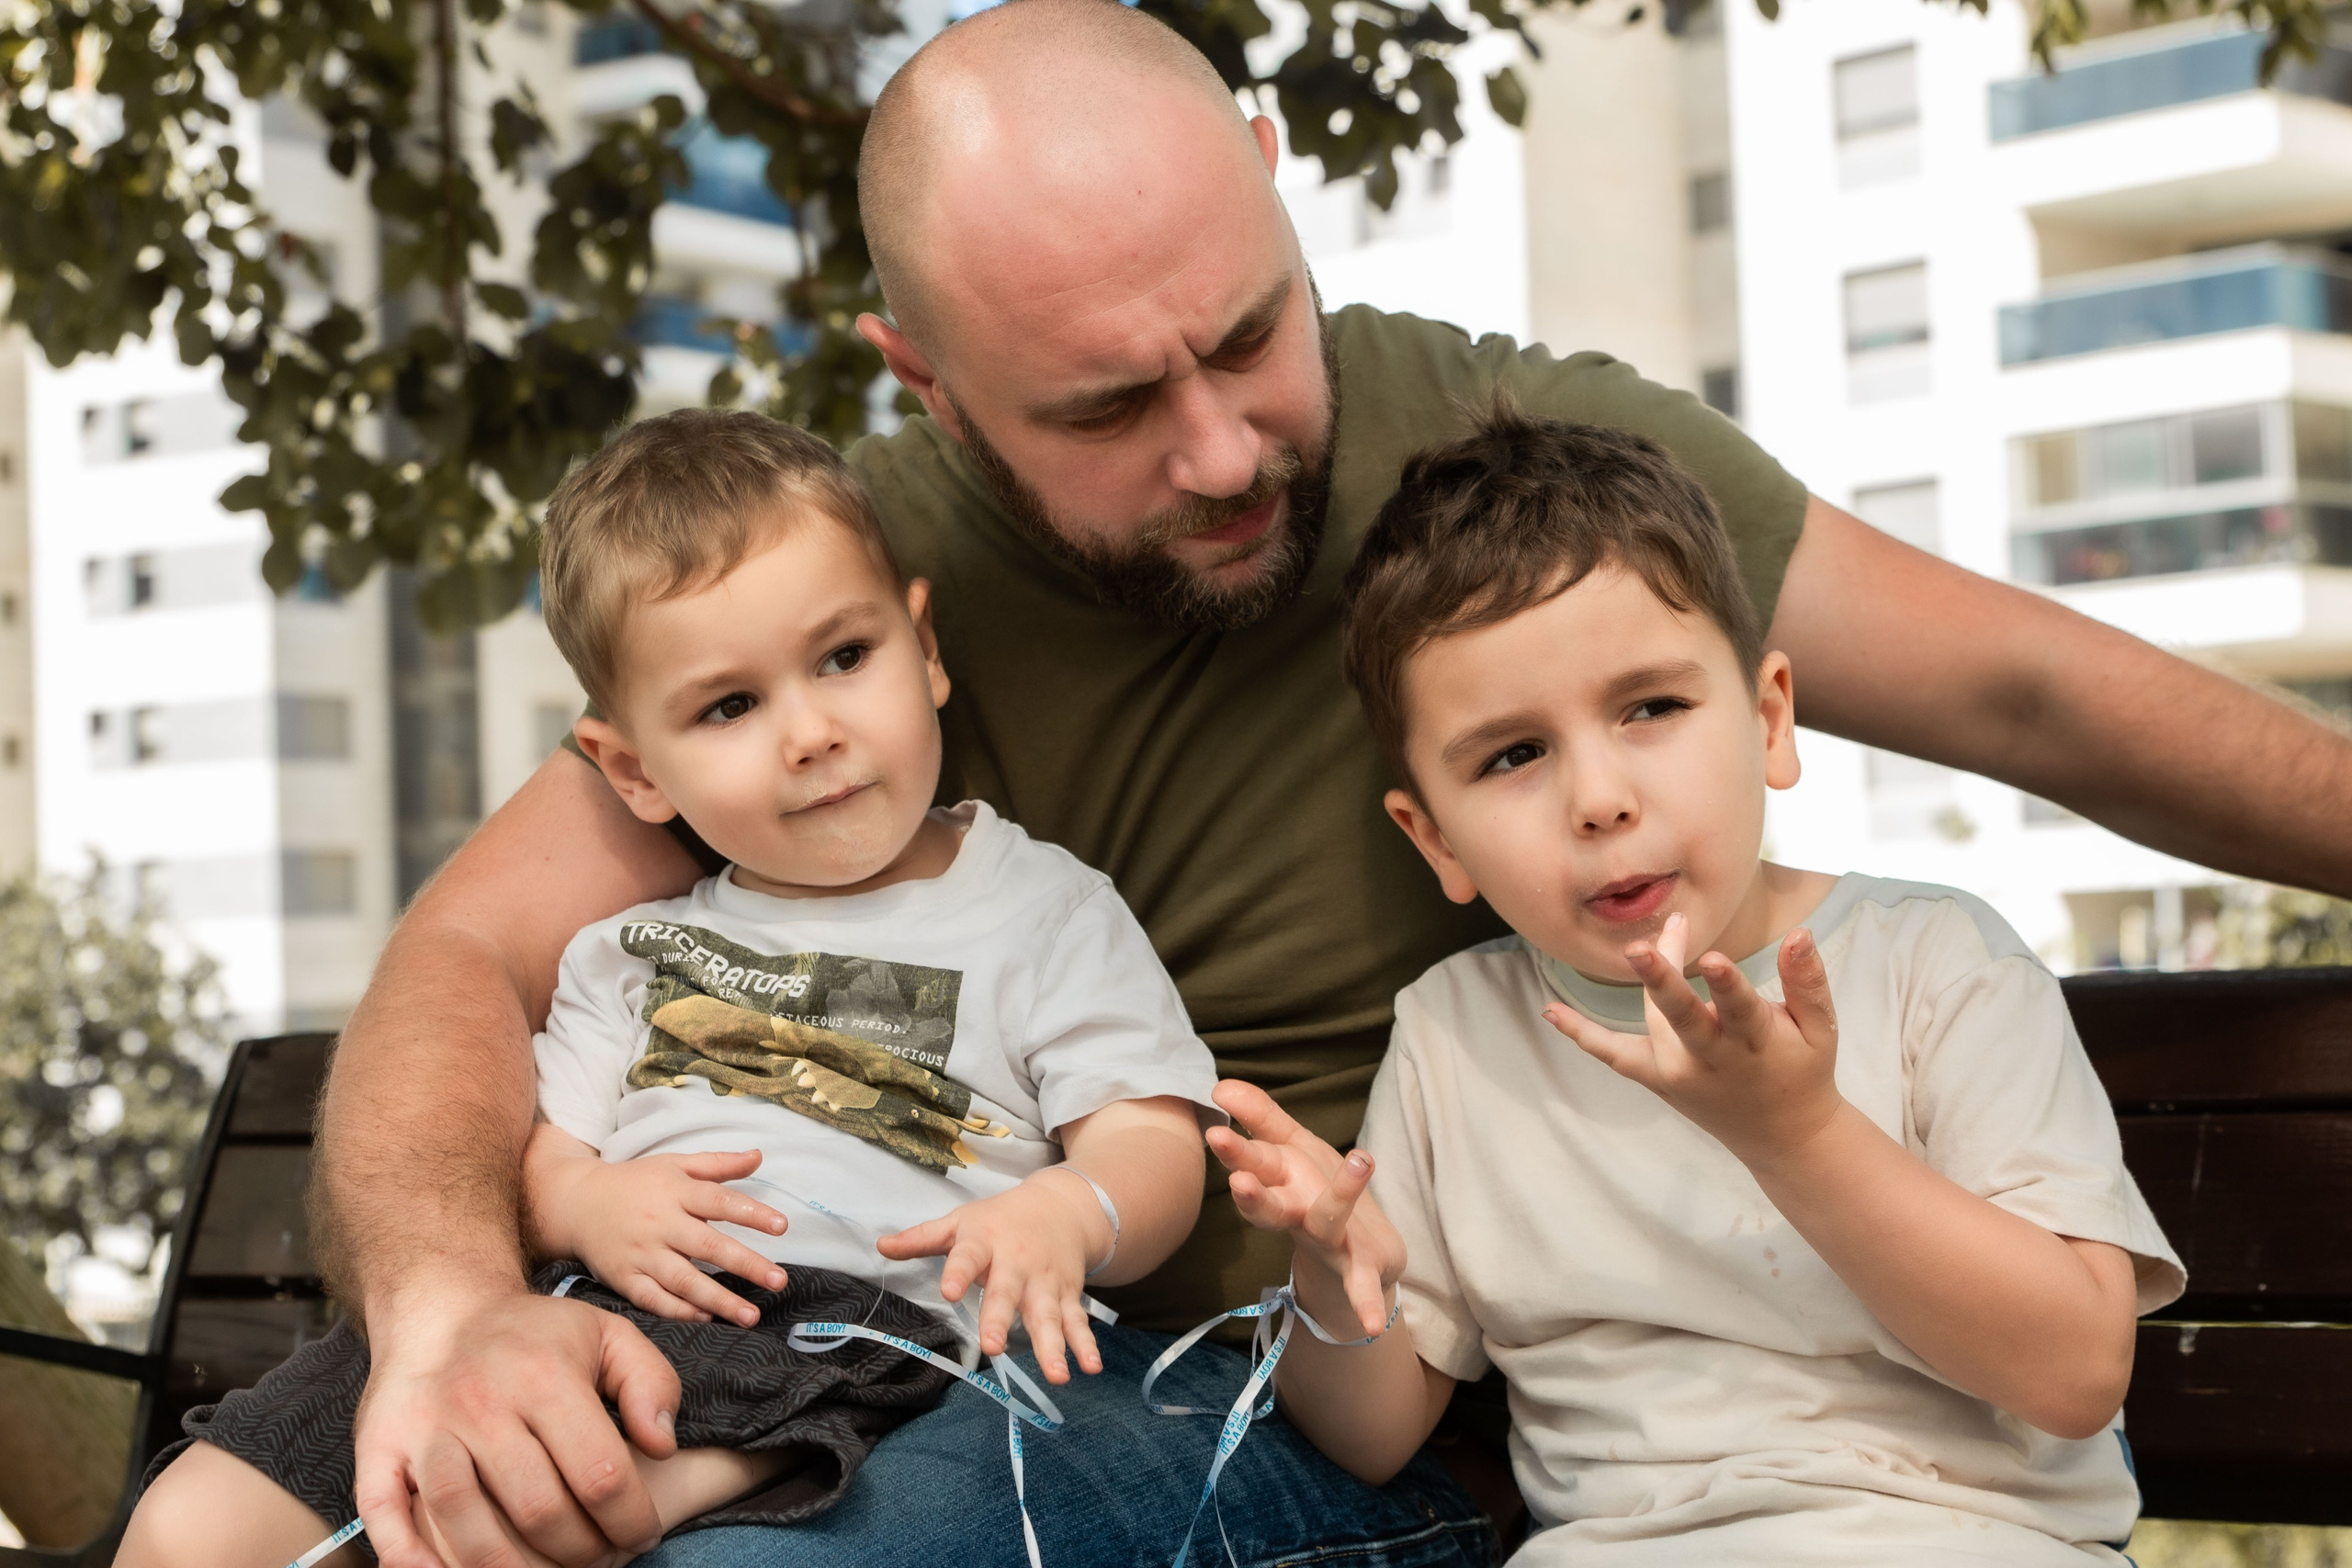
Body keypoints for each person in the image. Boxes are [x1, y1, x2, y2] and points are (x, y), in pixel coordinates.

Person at [312, 2, 2349, 1565]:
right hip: (911, 1323)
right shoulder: (844, 606)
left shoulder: (1518, 474)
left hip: (1315, 1421)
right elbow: (461, 965)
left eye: (1246, 334)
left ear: (1279, 192)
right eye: (1110, 405)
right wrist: (449, 1313)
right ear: (922, 379)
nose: (1217, 450)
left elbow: (2031, 693)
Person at [120, 411, 1219, 1568]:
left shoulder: (1043, 910)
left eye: (846, 658)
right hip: (562, 1299)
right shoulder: (632, 949)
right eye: (729, 706)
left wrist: (1068, 1212)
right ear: (635, 770)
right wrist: (587, 1205)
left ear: (925, 646)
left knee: (559, 1510)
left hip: (839, 1318)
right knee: (193, 1525)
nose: (812, 733)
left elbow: (1153, 1139)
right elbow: (543, 1154)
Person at [1213, 408, 2186, 1564]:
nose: (1599, 799)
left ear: (1769, 720)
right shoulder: (1454, 1038)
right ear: (1436, 841)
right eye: (1514, 755)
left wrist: (1798, 1135)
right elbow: (1370, 1439)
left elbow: (2074, 1374)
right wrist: (1333, 1271)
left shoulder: (1936, 963)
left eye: (1652, 709)